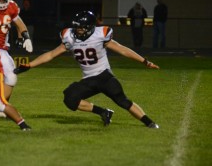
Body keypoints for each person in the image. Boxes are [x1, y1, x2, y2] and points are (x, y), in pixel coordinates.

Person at [14, 11, 160, 128]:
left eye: (81, 27)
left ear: (90, 27)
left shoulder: (100, 34)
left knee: (123, 101)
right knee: (70, 99)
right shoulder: (69, 37)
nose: (78, 30)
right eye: (77, 27)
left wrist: (145, 61)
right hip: (88, 79)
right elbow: (51, 54)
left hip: (104, 76)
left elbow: (122, 50)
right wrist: (30, 65)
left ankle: (149, 122)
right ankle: (103, 112)